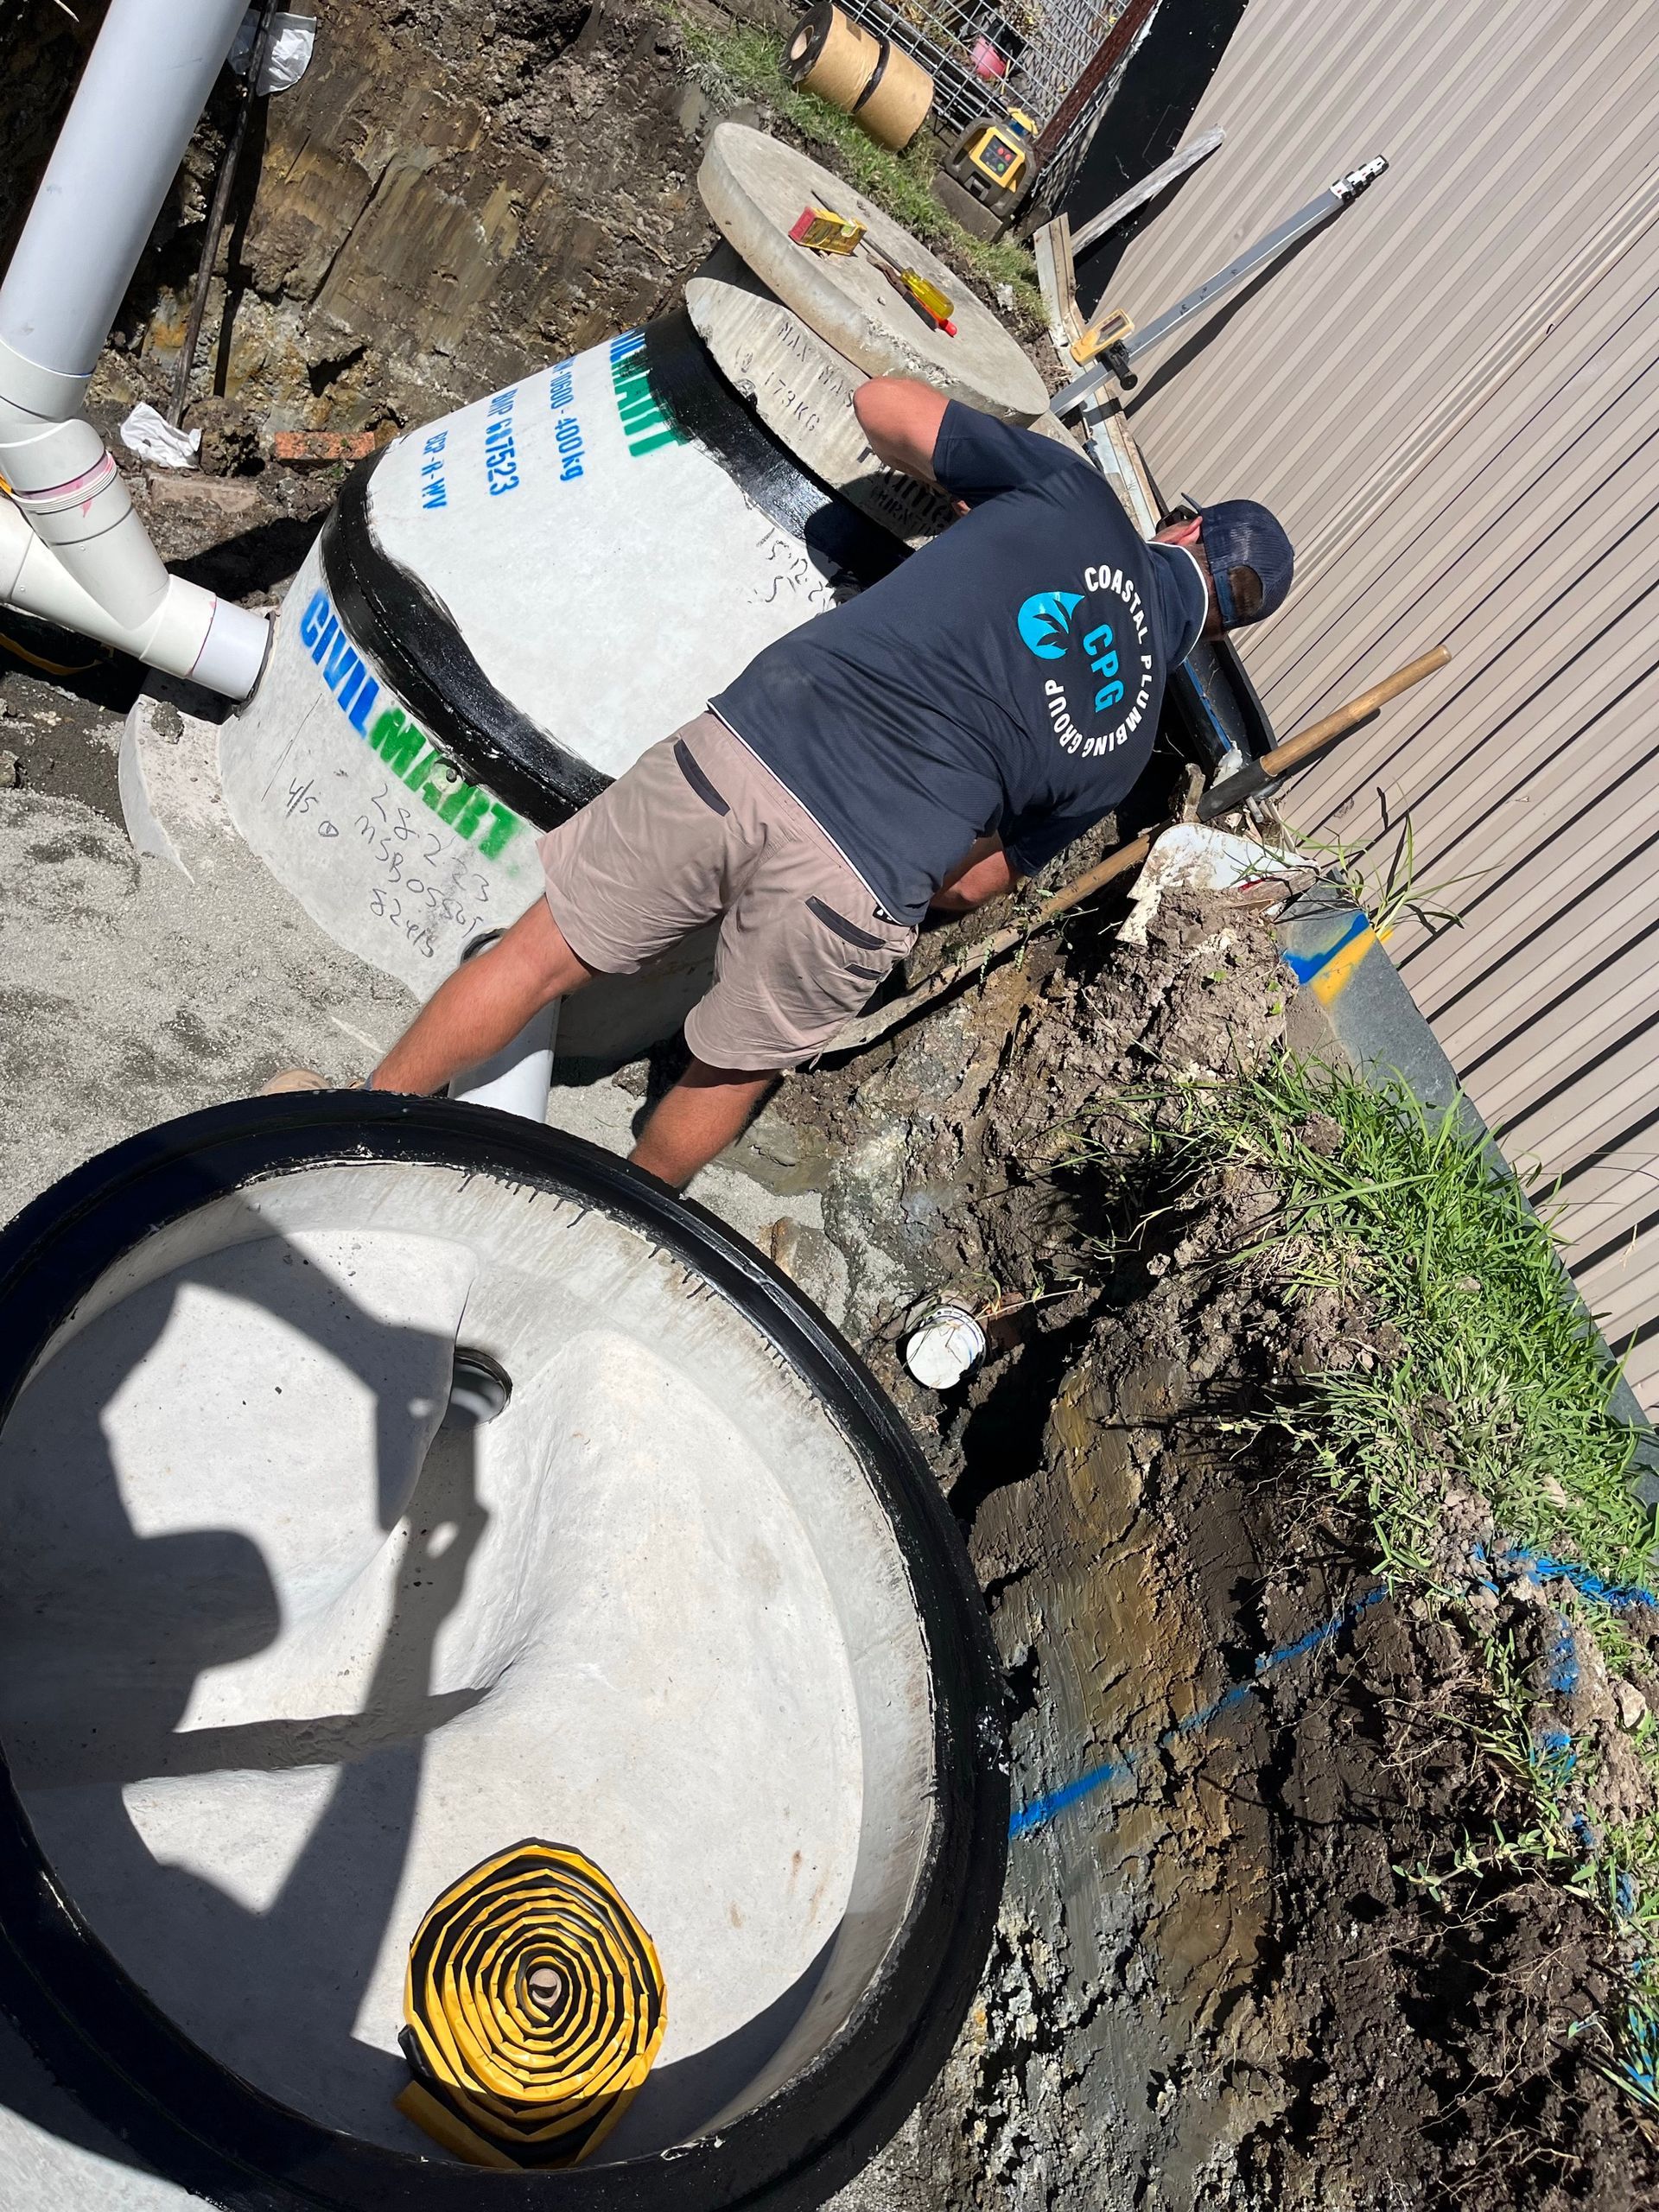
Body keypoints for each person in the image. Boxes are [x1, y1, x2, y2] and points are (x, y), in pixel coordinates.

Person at [283, 376, 1293, 1188]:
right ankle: (608, 1234)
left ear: (1185, 530)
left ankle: (345, 1136)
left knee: (540, 956)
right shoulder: (1126, 743)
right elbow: (973, 887)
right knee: (734, 1065)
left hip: (750, 751)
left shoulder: (1073, 497)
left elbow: (881, 406)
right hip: (864, 875)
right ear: (1218, 627)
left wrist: (977, 500)